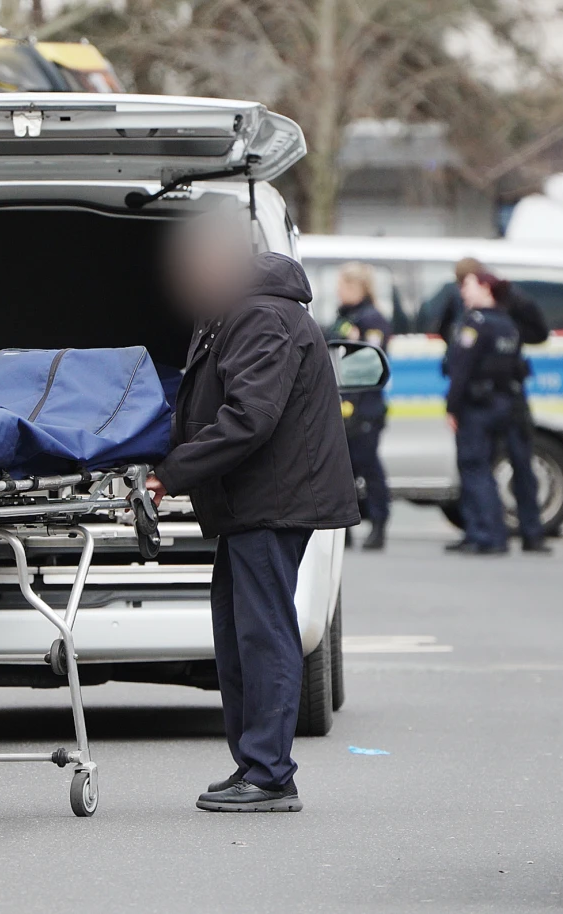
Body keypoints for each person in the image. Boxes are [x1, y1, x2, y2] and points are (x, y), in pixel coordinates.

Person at [146, 213, 359, 813]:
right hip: (250, 503)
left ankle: (269, 775)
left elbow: (250, 417)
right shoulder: (231, 311)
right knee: (239, 636)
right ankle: (254, 764)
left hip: (273, 501)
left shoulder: (261, 314)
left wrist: (171, 471)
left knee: (263, 637)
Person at [439, 258, 551, 553]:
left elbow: (461, 367)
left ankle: (489, 534)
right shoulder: (505, 321)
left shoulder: (482, 320)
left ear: (484, 286)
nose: (462, 291)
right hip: (505, 400)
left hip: (488, 404)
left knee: (478, 465)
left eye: (467, 285)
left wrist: (451, 407)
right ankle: (491, 532)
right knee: (492, 466)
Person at [328, 262, 392, 551]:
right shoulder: (345, 318)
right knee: (344, 471)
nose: (338, 291)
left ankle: (378, 524)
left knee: (369, 467)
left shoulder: (372, 319)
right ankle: (346, 528)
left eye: (342, 286)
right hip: (342, 405)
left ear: (357, 288)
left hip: (365, 408)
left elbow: (366, 362)